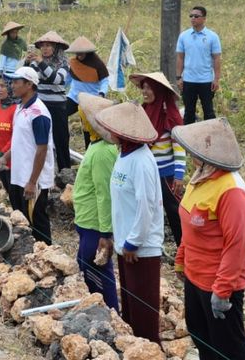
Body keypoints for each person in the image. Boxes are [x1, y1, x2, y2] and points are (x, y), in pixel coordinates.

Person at [171, 118, 245, 360]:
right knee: (200, 333)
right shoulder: (200, 178)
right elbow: (189, 224)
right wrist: (181, 258)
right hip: (195, 275)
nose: (192, 156)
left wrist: (223, 289)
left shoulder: (231, 190)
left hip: (220, 281)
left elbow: (236, 245)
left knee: (228, 342)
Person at [95, 101, 163, 343]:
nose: (109, 133)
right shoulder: (124, 155)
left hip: (141, 248)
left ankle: (151, 356)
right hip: (126, 243)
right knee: (131, 307)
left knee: (144, 311)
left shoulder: (142, 161)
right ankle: (135, 351)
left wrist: (134, 242)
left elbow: (146, 206)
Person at [72, 93, 119, 311]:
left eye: (84, 118)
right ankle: (99, 310)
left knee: (96, 270)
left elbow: (104, 194)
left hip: (95, 225)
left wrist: (105, 234)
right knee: (87, 267)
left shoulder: (102, 152)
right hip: (86, 221)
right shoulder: (95, 144)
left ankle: (110, 313)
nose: (81, 121)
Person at [132, 72, 185, 247]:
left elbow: (179, 147)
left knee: (173, 212)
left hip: (165, 175)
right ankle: (152, 246)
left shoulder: (169, 115)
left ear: (158, 90)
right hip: (146, 173)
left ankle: (184, 250)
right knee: (149, 211)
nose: (144, 92)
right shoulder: (143, 112)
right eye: (143, 87)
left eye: (149, 88)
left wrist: (179, 174)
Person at [4, 66, 54, 245]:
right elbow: (21, 142)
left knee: (37, 221)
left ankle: (47, 255)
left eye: (16, 82)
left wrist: (33, 181)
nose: (12, 85)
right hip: (19, 176)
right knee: (23, 220)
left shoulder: (39, 114)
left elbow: (42, 149)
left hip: (33, 180)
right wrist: (5, 157)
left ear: (29, 84)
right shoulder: (20, 107)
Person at [27, 31, 71, 171]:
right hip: (40, 105)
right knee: (40, 138)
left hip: (58, 106)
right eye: (43, 46)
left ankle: (64, 171)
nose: (45, 49)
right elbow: (30, 79)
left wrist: (40, 63)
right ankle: (42, 169)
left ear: (56, 48)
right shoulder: (35, 63)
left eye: (48, 45)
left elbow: (57, 79)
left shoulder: (64, 64)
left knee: (61, 139)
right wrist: (26, 63)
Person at [176, 6, 221, 124]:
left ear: (204, 18)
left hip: (206, 81)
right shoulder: (184, 36)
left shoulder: (212, 37)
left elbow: (216, 58)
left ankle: (210, 137)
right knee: (189, 112)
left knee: (209, 112)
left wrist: (216, 79)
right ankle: (187, 139)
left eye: (196, 16)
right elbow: (180, 57)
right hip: (188, 80)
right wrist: (179, 77)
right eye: (191, 16)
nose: (193, 19)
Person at [65, 36, 110, 148]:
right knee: (60, 114)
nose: (79, 55)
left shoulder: (98, 64)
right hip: (74, 97)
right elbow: (68, 79)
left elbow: (105, 81)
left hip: (90, 100)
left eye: (82, 53)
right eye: (77, 53)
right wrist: (59, 86)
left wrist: (102, 93)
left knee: (87, 127)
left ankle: (89, 151)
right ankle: (62, 142)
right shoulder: (74, 63)